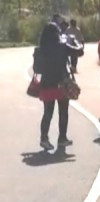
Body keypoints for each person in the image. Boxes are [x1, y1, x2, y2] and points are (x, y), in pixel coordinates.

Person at [34, 22, 82, 150]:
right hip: (61, 83)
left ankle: (44, 138)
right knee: (63, 112)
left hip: (46, 84)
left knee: (47, 113)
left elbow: (37, 68)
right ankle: (62, 138)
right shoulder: (62, 46)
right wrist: (73, 41)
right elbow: (79, 51)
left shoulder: (41, 48)